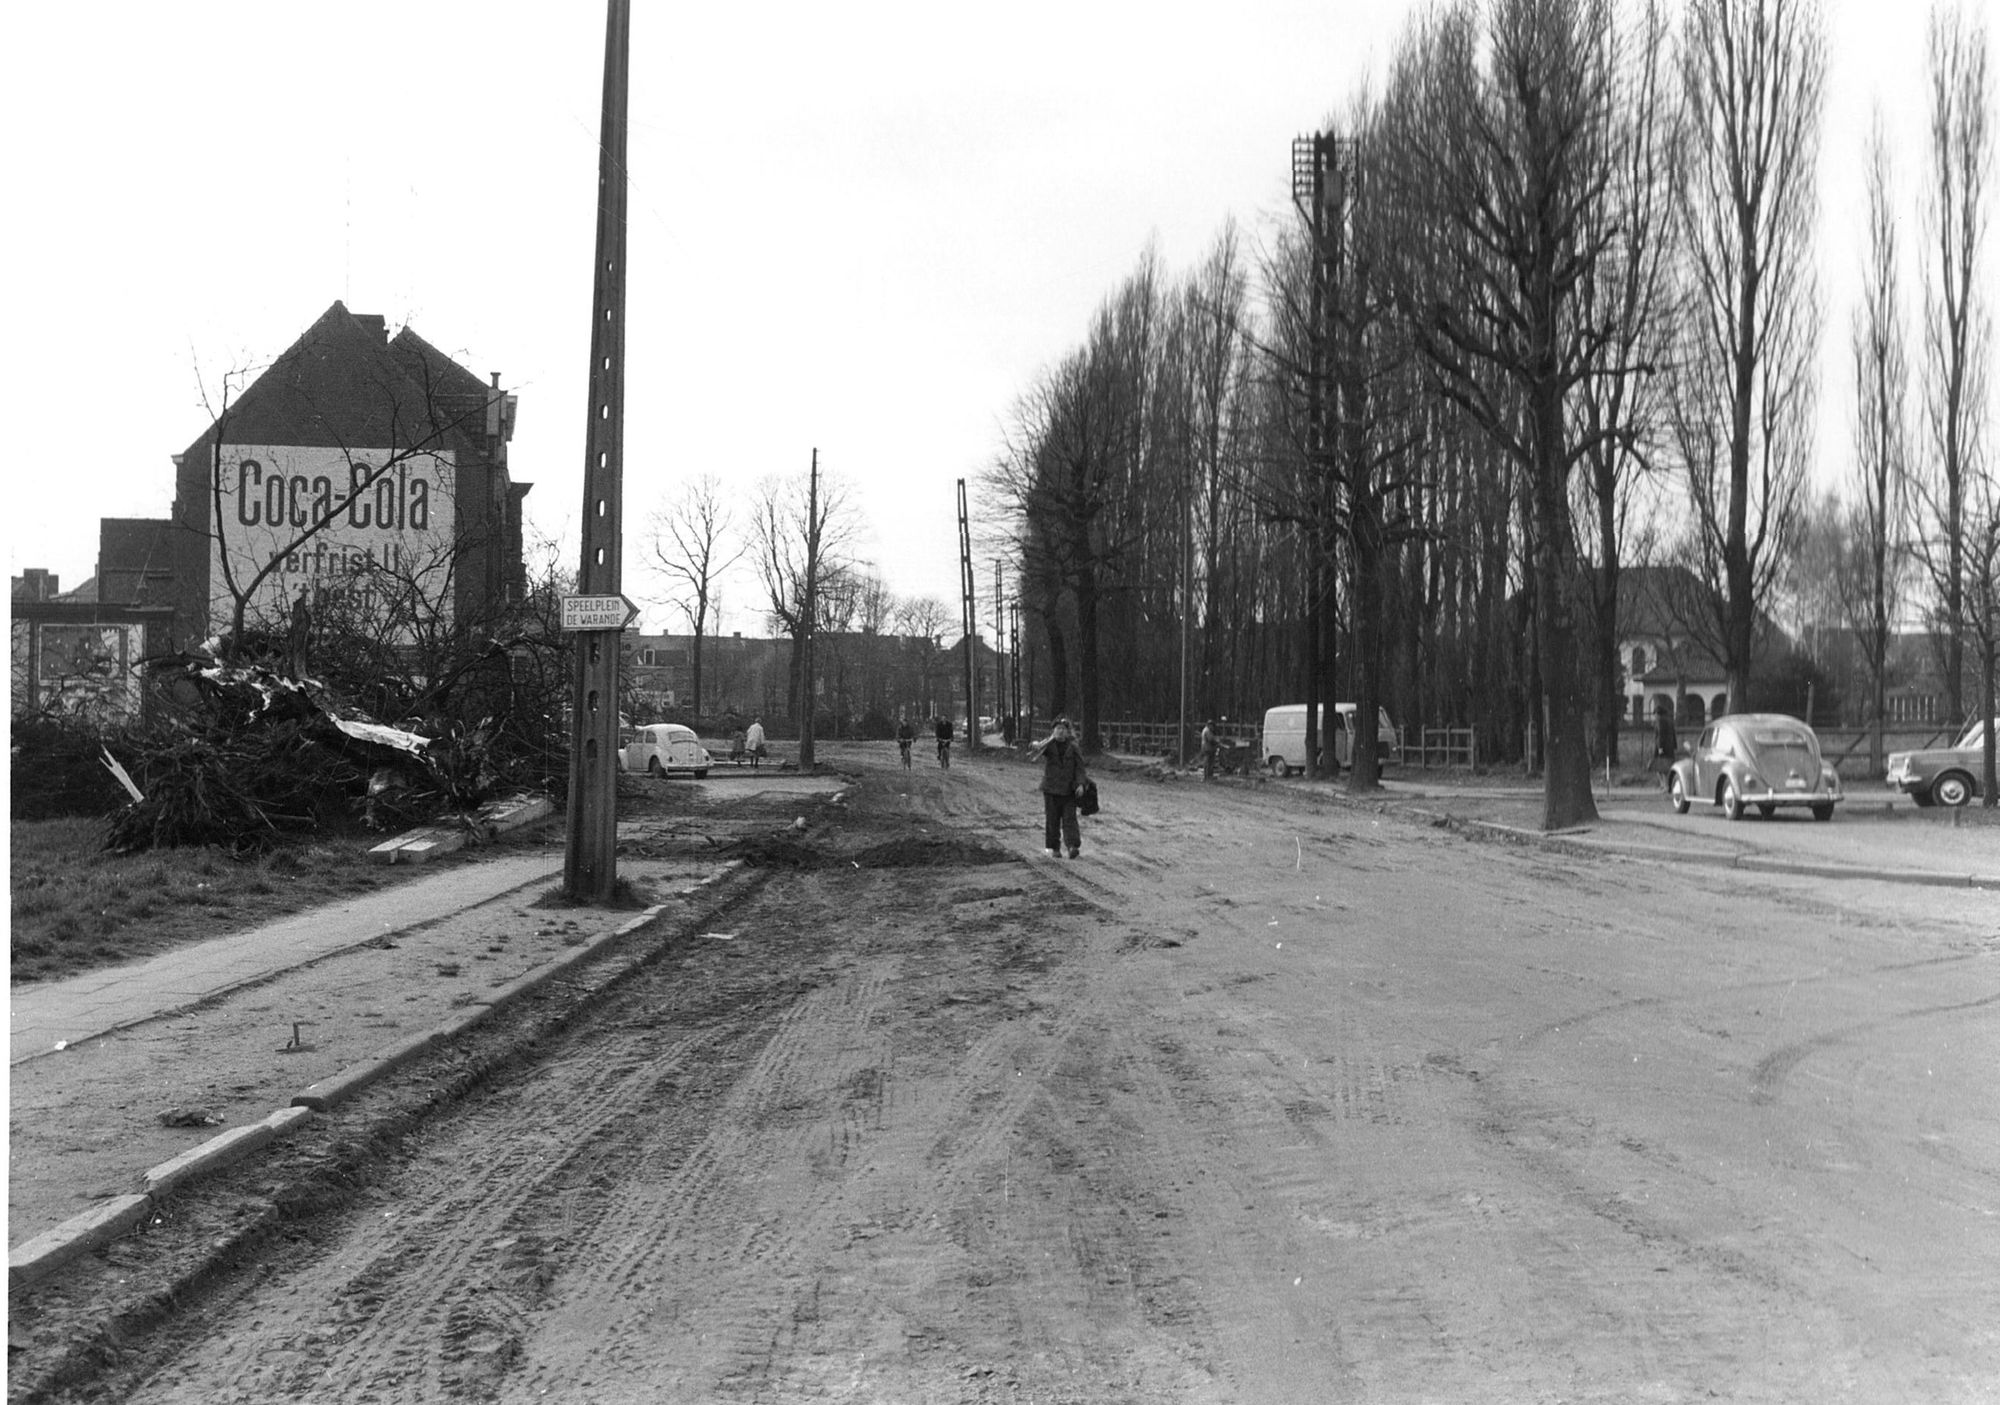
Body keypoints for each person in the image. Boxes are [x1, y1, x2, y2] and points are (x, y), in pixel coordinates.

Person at [1032, 717, 1087, 858]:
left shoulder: (1073, 747)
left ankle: (1072, 846)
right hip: (1050, 789)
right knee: (1052, 819)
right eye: (1058, 729)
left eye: (1063, 729)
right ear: (1053, 731)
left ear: (1068, 732)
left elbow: (1080, 767)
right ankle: (1055, 848)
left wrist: (1080, 784)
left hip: (1069, 789)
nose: (1060, 731)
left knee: (1070, 819)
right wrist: (1035, 745)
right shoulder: (1048, 746)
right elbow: (1036, 751)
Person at [1651, 702, 1678, 788]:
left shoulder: (1660, 721)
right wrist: (1674, 746)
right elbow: (1673, 735)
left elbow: (1660, 736)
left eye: (1655, 714)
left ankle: (1664, 785)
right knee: (1667, 768)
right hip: (1670, 749)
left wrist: (1660, 749)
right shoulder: (1670, 721)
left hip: (1662, 748)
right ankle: (1666, 785)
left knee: (1660, 768)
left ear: (1658, 714)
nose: (1654, 716)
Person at [1200, 717, 1219, 782]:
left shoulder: (1205, 730)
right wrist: (1217, 742)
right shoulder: (1207, 731)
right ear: (1209, 725)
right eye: (1212, 725)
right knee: (1209, 763)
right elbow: (1211, 739)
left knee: (1207, 763)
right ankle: (1208, 776)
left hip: (1206, 748)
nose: (1213, 727)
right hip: (1208, 749)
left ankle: (1207, 776)